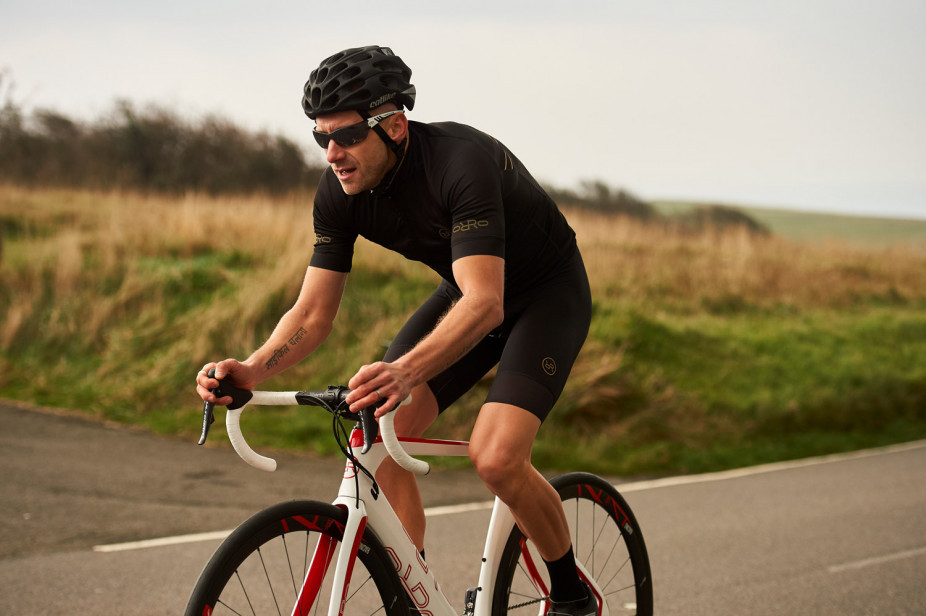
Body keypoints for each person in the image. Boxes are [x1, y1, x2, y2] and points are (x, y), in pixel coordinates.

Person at [196, 45, 596, 616]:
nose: (333, 153)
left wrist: (405, 370)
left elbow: (486, 304)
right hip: (469, 292)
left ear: (395, 125)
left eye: (348, 135)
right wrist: (253, 368)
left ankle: (571, 596)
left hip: (545, 296)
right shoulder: (340, 191)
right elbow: (312, 314)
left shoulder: (461, 163)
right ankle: (415, 598)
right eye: (321, 137)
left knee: (497, 457)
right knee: (377, 435)